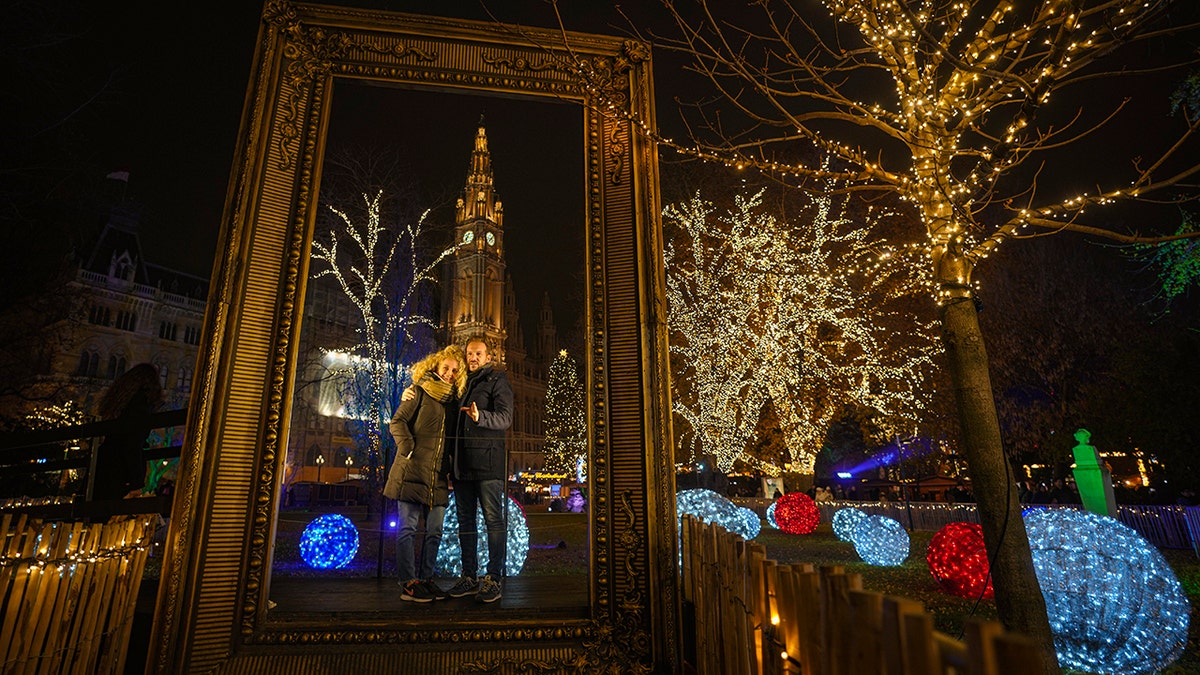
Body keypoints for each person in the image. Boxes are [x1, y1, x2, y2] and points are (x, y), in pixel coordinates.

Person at [387, 345, 466, 603]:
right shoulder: (418, 392)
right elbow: (397, 422)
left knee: (435, 531)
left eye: (455, 370)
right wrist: (409, 449)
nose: (450, 374)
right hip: (412, 471)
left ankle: (426, 579)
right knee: (407, 529)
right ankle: (408, 583)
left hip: (438, 476)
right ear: (435, 366)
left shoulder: (453, 402)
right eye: (446, 368)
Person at [445, 337, 513, 603]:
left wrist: (480, 416)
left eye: (478, 353)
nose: (473, 357)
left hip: (487, 465)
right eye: (470, 353)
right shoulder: (462, 384)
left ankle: (493, 578)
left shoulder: (497, 381)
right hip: (462, 466)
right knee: (466, 522)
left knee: (493, 522)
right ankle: (469, 576)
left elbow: (506, 418)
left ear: (488, 357)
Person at [92, 363, 163, 500]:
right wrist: (136, 482)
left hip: (105, 462)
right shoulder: (141, 406)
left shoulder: (122, 402)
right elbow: (133, 444)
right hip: (121, 471)